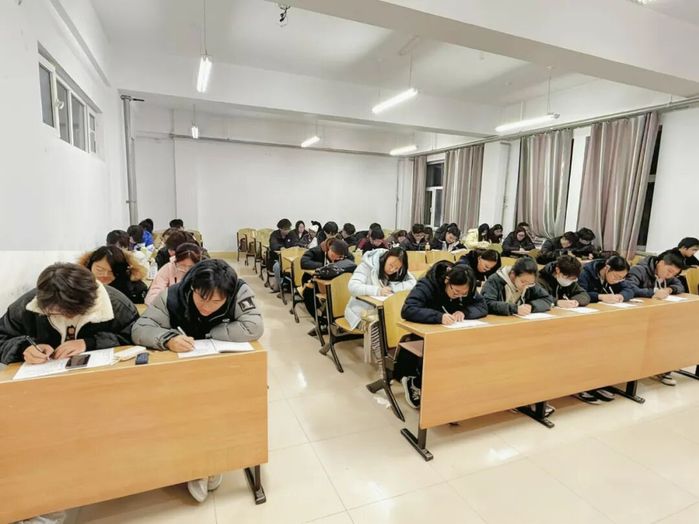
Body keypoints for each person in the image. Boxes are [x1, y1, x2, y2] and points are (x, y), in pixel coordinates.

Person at [131, 259, 263, 502]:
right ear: (192, 287)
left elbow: (254, 327)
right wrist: (167, 338)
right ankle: (197, 466)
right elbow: (140, 328)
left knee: (225, 407)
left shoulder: (239, 290)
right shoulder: (172, 296)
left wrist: (208, 335)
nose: (207, 307)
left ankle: (212, 461)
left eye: (216, 302)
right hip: (182, 371)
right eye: (202, 298)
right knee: (187, 410)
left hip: (222, 368)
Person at [0, 262, 138, 364]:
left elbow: (134, 337)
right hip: (43, 380)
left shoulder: (117, 305)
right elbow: (2, 337)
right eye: (54, 314)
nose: (65, 317)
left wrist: (90, 343)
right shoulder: (27, 306)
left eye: (74, 313)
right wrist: (23, 348)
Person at [397, 262, 488, 408]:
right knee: (441, 353)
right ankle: (415, 383)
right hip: (428, 333)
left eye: (464, 294)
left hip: (453, 332)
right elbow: (408, 309)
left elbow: (482, 306)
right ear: (447, 281)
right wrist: (438, 317)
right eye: (456, 292)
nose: (459, 296)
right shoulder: (427, 285)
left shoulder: (466, 286)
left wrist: (464, 312)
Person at [625, 249, 685, 387]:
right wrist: (653, 292)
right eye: (669, 271)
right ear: (661, 263)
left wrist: (669, 289)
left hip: (657, 316)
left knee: (670, 333)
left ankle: (661, 368)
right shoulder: (639, 270)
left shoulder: (667, 275)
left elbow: (679, 286)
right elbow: (630, 289)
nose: (670, 276)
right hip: (636, 316)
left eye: (674, 274)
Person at [345, 247, 417, 329]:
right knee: (384, 326)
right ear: (385, 258)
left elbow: (413, 282)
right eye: (390, 265)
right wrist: (377, 291)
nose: (392, 270)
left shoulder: (399, 268)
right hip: (360, 313)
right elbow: (353, 286)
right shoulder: (367, 265)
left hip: (383, 310)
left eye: (396, 268)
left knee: (402, 321)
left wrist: (393, 288)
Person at [300, 239, 357, 320]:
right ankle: (318, 319)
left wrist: (337, 265)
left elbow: (351, 262)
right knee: (308, 292)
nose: (335, 258)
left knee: (343, 293)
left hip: (336, 282)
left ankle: (333, 317)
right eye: (333, 255)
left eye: (339, 257)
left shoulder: (344, 252)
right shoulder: (316, 251)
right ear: (329, 248)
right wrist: (325, 267)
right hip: (314, 280)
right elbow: (304, 262)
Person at [481, 256, 554, 316]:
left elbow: (548, 299)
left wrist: (531, 306)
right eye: (523, 282)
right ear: (513, 274)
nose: (525, 286)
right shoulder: (495, 280)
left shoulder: (530, 284)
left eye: (530, 283)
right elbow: (487, 303)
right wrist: (515, 309)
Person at [78, 246, 149, 304]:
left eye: (111, 271)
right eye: (99, 269)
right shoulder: (78, 285)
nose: (105, 275)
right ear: (89, 265)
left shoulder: (134, 290)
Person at [269, 218, 295, 292]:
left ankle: (285, 285)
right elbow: (273, 245)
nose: (287, 231)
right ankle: (281, 285)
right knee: (277, 267)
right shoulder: (274, 234)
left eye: (288, 229)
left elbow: (295, 243)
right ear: (280, 229)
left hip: (289, 258)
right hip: (276, 258)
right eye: (285, 229)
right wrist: (280, 247)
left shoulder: (292, 234)